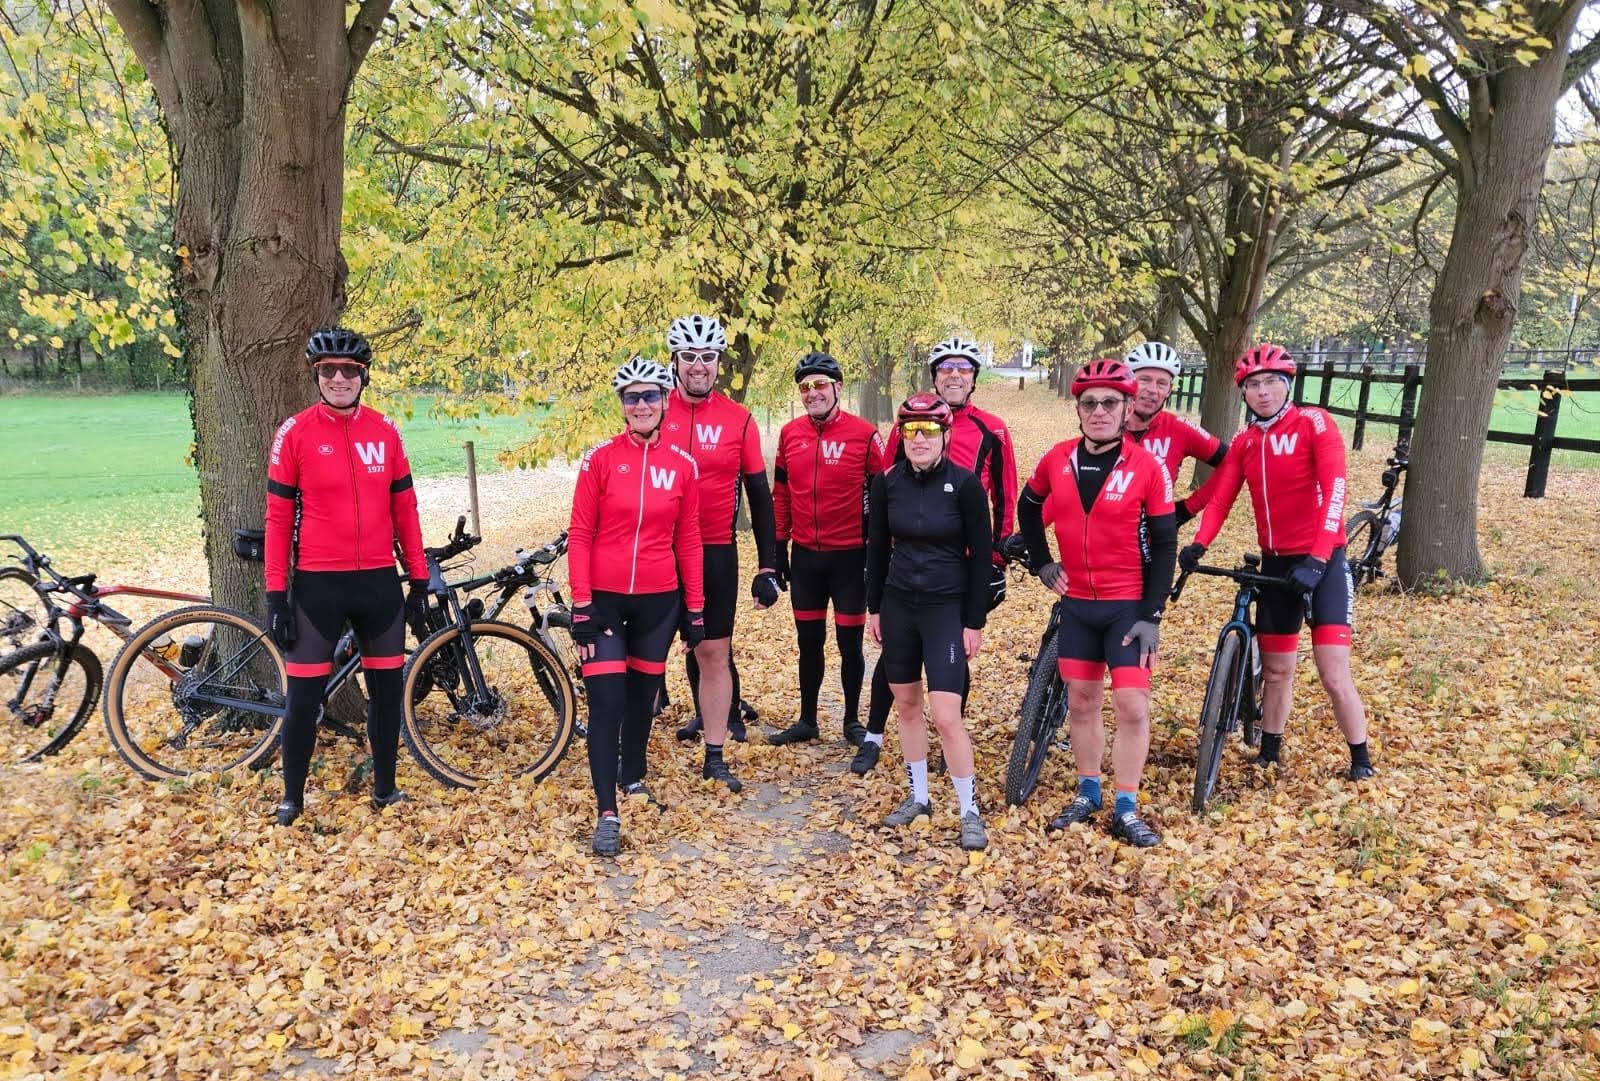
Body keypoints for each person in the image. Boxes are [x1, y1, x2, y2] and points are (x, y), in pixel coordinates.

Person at [1179, 344, 1373, 781]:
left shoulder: (1313, 423)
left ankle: (1360, 758)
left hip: (1323, 562)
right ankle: (1269, 751)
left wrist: (1318, 558)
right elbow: (1222, 497)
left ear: (1287, 386)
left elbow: (1335, 490)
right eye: (1253, 385)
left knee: (1332, 672)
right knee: (1278, 668)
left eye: (1271, 382)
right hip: (1275, 564)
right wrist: (1199, 544)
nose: (1262, 391)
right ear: (1244, 393)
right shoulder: (1246, 442)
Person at [264, 326, 428, 827]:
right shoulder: (295, 433)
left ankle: (385, 789)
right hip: (318, 586)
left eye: (349, 370)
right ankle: (292, 798)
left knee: (386, 695)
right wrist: (276, 595)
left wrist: (419, 579)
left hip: (379, 582)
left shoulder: (386, 431)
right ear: (316, 375)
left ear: (364, 375)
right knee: (303, 699)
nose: (339, 378)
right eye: (328, 370)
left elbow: (405, 509)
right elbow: (277, 519)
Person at [1016, 359, 1176, 848]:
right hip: (1078, 605)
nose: (1099, 411)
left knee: (1131, 705)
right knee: (1082, 702)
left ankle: (1126, 806)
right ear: (1078, 410)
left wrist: (1152, 614)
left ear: (1127, 409)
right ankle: (1088, 792)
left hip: (1127, 606)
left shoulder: (1147, 467)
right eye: (1089, 403)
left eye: (1110, 402)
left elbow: (1166, 543)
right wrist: (1042, 563)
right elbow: (1028, 506)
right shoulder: (1057, 459)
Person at [852, 336, 1018, 774]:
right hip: (908, 566)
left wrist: (997, 559)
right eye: (946, 368)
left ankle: (949, 741)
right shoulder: (909, 422)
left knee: (954, 651)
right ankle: (874, 734)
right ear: (935, 377)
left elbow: (1005, 494)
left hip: (963, 564)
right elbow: (889, 486)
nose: (954, 375)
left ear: (974, 378)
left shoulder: (992, 429)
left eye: (963, 368)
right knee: (895, 656)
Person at [568, 357, 710, 858]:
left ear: (665, 400)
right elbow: (580, 534)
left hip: (659, 603)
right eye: (632, 397)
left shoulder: (683, 465)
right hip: (604, 601)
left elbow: (688, 539)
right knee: (607, 702)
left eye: (650, 395)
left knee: (642, 699)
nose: (642, 405)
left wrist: (695, 610)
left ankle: (633, 775)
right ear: (622, 405)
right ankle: (607, 812)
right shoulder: (600, 459)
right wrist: (581, 604)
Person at [866, 393, 993, 852]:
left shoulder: (965, 485)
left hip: (945, 609)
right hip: (899, 605)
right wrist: (874, 608)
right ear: (901, 436)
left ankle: (969, 810)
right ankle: (919, 797)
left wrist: (973, 621)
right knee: (906, 707)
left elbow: (981, 556)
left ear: (945, 435)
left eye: (930, 430)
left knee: (946, 716)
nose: (919, 439)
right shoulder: (887, 483)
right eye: (911, 431)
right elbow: (877, 549)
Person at [660, 315, 780, 766]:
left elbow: (760, 496)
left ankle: (725, 722)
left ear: (718, 362)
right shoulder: (655, 409)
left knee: (713, 647)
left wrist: (767, 566)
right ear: (674, 361)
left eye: (707, 357)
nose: (698, 365)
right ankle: (686, 719)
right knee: (655, 648)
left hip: (715, 550)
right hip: (659, 549)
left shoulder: (738, 418)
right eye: (689, 356)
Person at [768, 352, 887, 748]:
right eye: (805, 387)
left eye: (820, 384)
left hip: (850, 558)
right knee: (808, 643)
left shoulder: (865, 435)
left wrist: (879, 555)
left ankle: (852, 720)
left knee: (849, 645)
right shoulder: (789, 434)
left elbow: (884, 498)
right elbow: (781, 494)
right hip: (806, 557)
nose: (812, 393)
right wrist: (778, 547)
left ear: (838, 387)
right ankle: (807, 720)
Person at [1122, 341, 1229, 524]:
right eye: (1144, 380)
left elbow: (1233, 462)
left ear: (1169, 390)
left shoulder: (1178, 428)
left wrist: (1189, 507)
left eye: (1161, 383)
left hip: (1157, 536)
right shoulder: (1104, 426)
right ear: (1129, 383)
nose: (1152, 390)